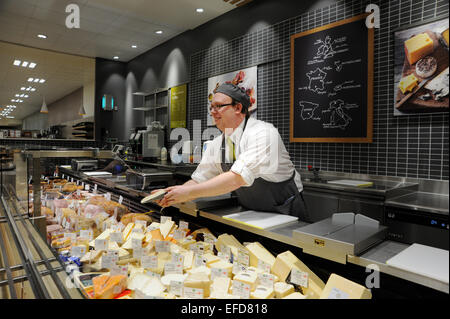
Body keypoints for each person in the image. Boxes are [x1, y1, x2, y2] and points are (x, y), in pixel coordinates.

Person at [155, 82, 309, 221]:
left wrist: (189, 193)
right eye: (211, 107)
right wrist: (171, 193)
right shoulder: (217, 143)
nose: (212, 112)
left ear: (238, 108)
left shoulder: (263, 133)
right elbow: (200, 179)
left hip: (287, 214)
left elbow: (237, 178)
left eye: (218, 106)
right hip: (251, 215)